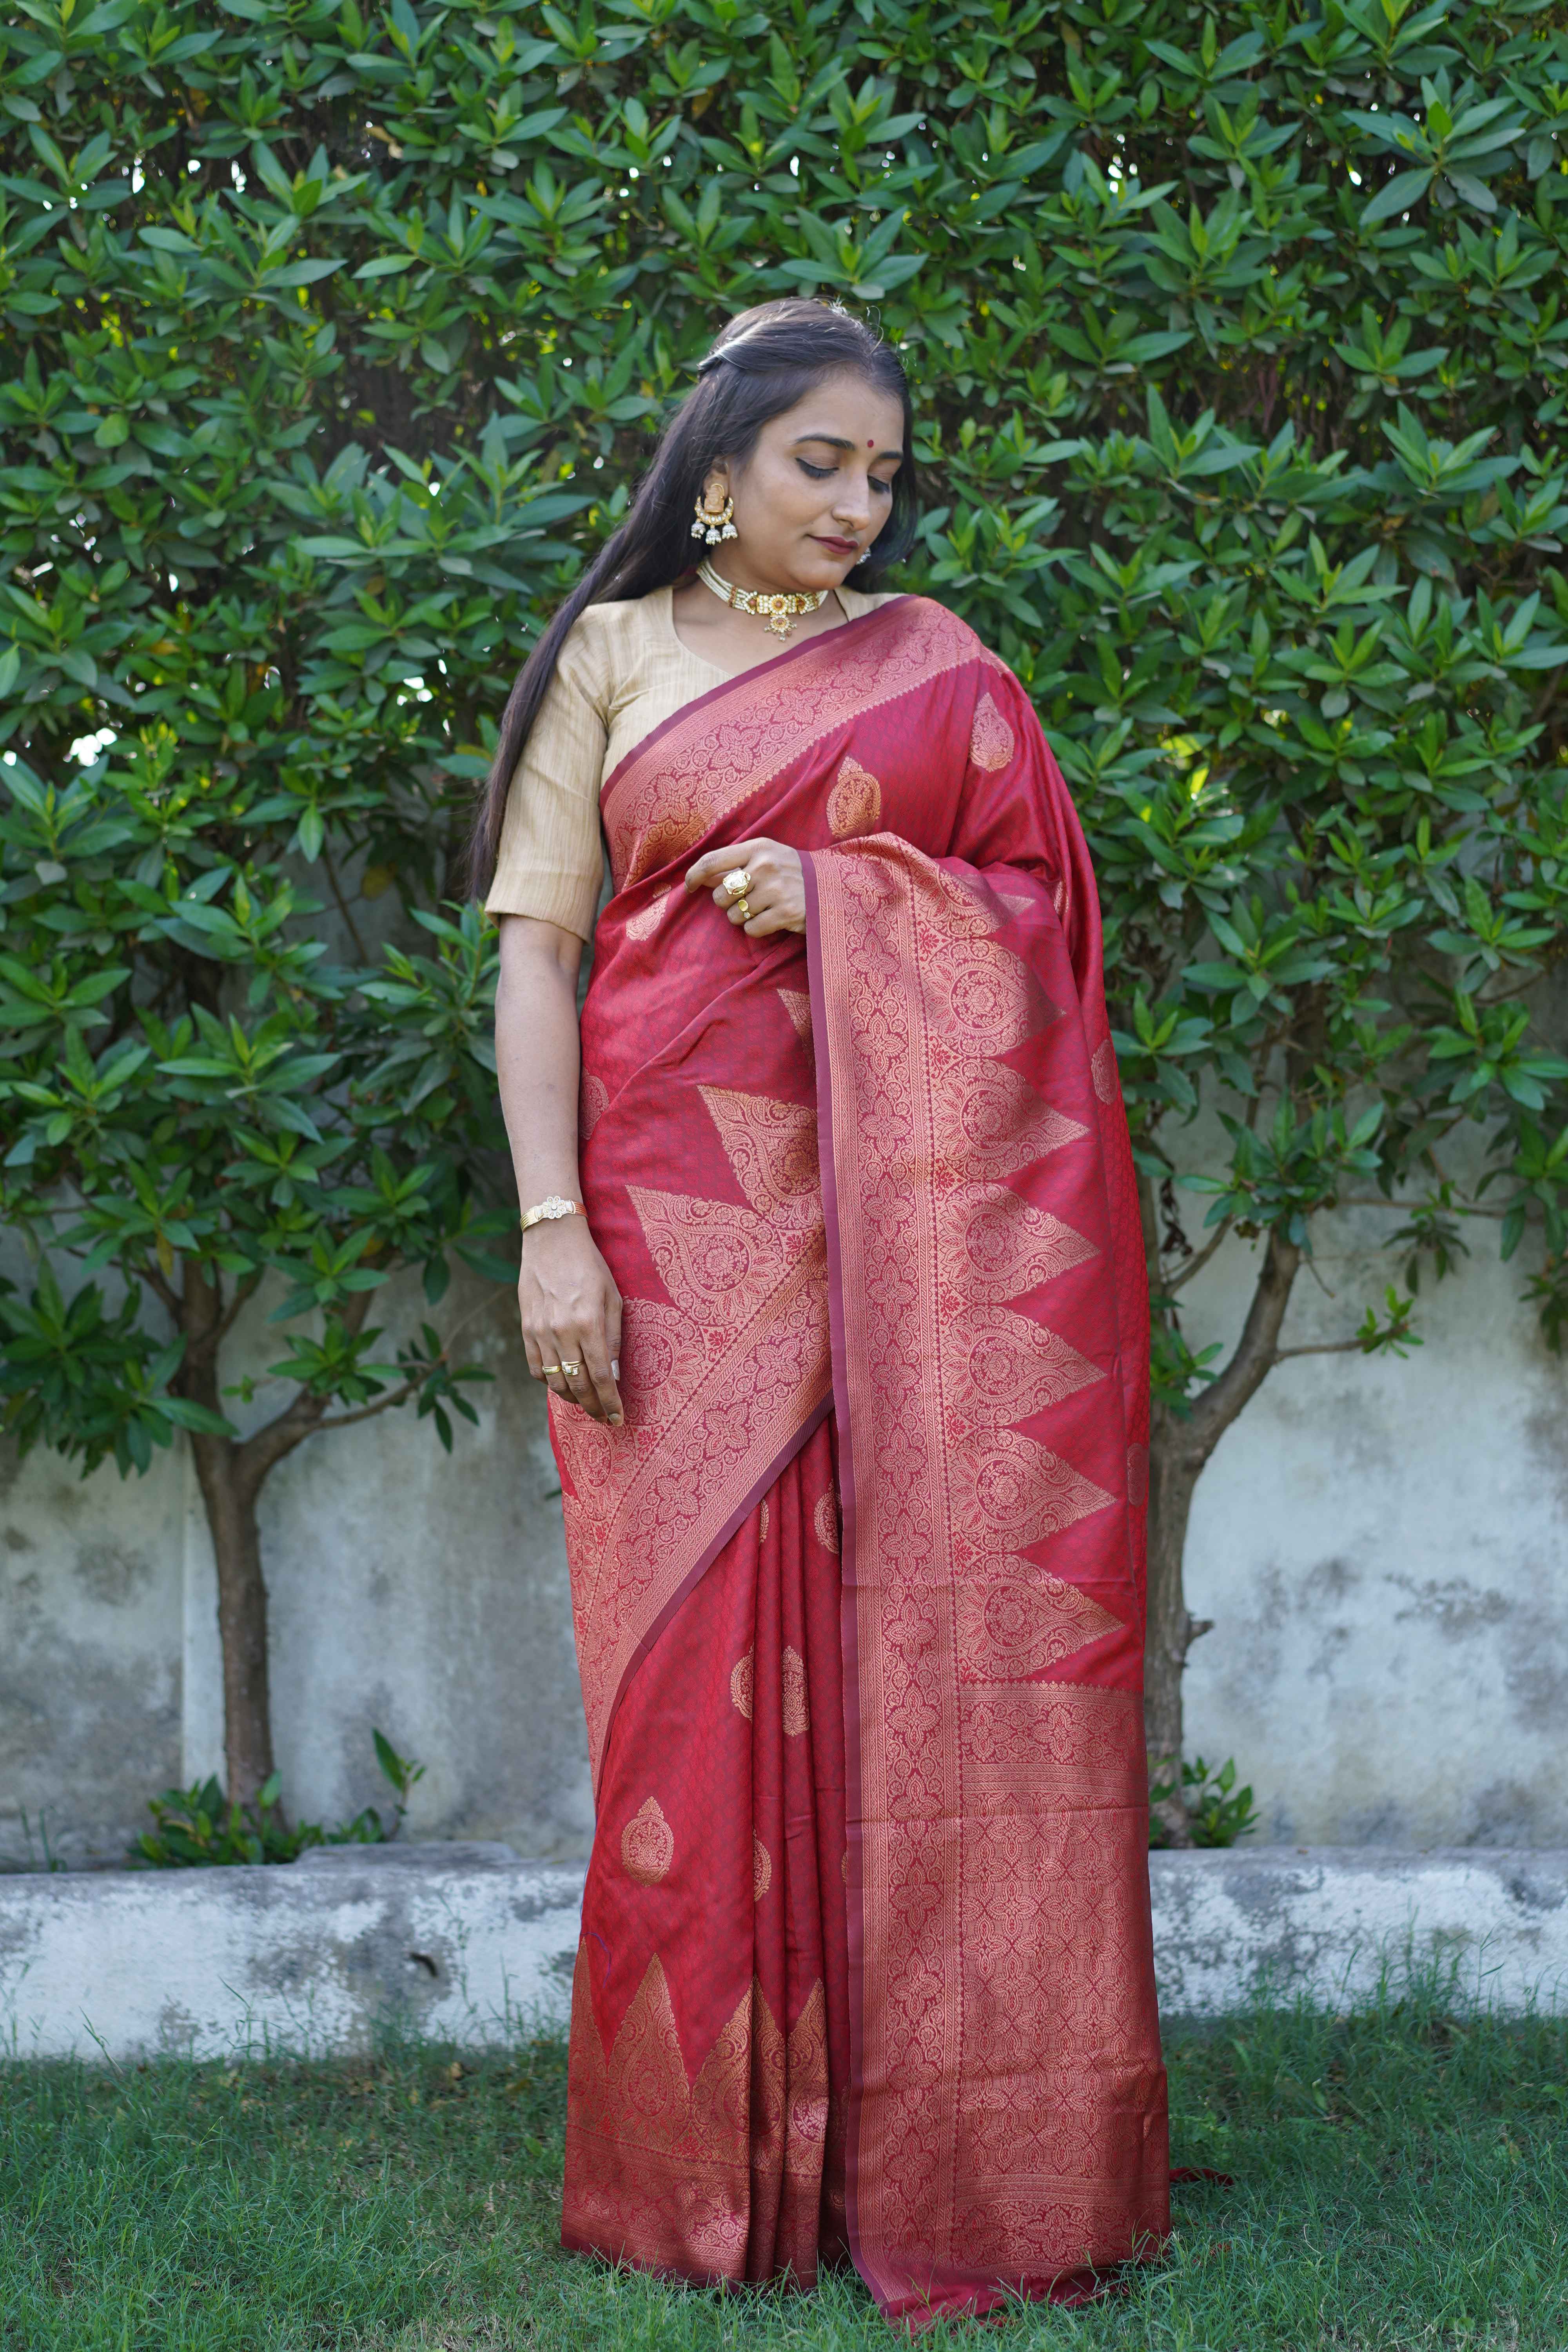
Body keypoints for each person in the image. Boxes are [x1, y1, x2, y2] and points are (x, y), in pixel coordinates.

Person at [475, 298, 1168, 2330]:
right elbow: (537, 968)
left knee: (916, 1672)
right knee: (693, 1679)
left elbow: (1045, 936)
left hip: (916, 1265)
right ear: (717, 464)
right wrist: (547, 1231)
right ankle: (708, 2169)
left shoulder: (949, 676)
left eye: (884, 474)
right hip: (675, 1250)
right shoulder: (605, 662)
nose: (861, 507)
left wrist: (849, 892)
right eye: (820, 465)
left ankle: (939, 2148)